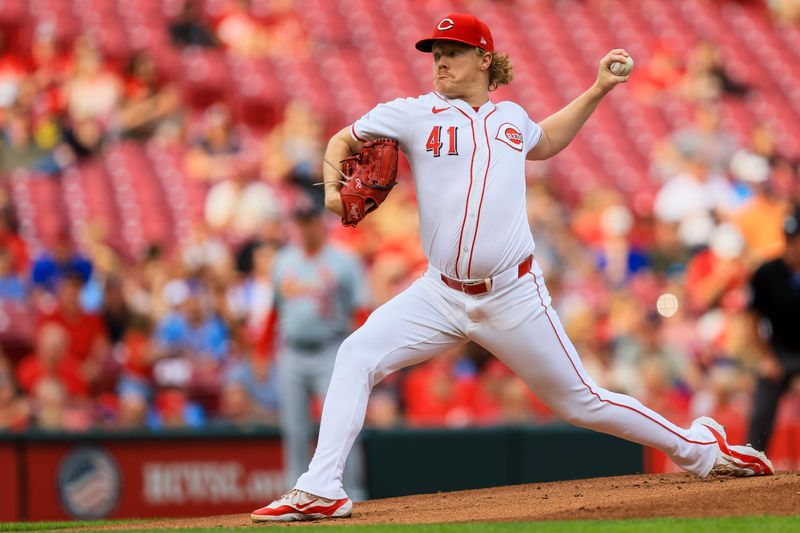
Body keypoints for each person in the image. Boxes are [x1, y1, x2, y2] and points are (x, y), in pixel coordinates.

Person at [250, 13, 774, 523]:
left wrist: (597, 90)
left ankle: (700, 450)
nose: (440, 62)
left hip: (513, 295)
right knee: (357, 353)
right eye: (436, 54)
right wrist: (331, 195)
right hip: (439, 294)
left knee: (583, 403)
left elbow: (545, 142)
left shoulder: (511, 119)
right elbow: (342, 140)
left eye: (453, 53)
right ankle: (321, 487)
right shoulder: (411, 114)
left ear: (483, 59)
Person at [264, 202, 369, 502]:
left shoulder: (344, 261)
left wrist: (363, 354)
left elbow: (361, 309)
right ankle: (294, 494)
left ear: (320, 223)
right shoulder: (284, 260)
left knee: (341, 425)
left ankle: (353, 493)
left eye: (310, 220)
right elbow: (275, 310)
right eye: (301, 220)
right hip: (292, 353)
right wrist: (262, 351)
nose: (306, 226)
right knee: (294, 429)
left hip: (331, 350)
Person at [747, 207, 800, 452]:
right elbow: (751, 318)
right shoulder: (768, 273)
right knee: (760, 413)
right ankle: (755, 459)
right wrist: (766, 358)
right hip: (778, 353)